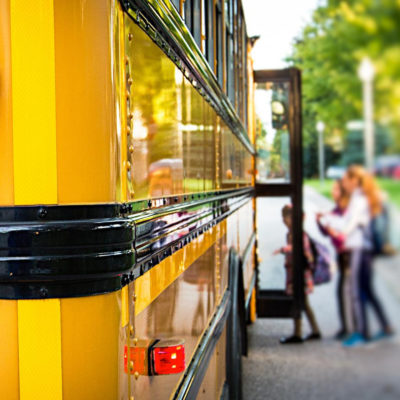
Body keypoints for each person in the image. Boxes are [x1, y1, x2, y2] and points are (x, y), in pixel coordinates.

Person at [323, 166, 393, 346]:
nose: (344, 182)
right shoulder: (359, 197)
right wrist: (328, 218)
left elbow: (350, 223)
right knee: (366, 289)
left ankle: (362, 333)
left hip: (359, 249)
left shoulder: (359, 198)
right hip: (362, 248)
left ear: (354, 180)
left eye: (346, 179)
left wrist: (337, 229)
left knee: (356, 290)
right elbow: (348, 222)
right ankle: (385, 327)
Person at [273, 204, 321, 344]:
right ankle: (315, 330)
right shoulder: (291, 233)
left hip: (299, 274)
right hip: (294, 272)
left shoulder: (298, 233)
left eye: (286, 217)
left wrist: (284, 249)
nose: (284, 220)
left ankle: (298, 333)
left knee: (298, 302)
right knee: (304, 303)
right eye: (283, 217)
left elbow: (302, 250)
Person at [317, 180, 353, 339]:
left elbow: (342, 236)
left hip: (350, 255)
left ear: (343, 192)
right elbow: (327, 232)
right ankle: (348, 327)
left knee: (350, 292)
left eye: (336, 189)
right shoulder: (337, 210)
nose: (333, 192)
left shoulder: (346, 211)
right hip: (343, 255)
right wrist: (320, 223)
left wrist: (332, 232)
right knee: (348, 292)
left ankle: (351, 328)